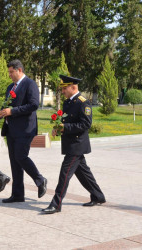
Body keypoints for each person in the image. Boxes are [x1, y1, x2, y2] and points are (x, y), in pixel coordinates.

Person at [41, 75, 106, 214]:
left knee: (64, 174)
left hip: (77, 145)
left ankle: (56, 204)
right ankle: (98, 196)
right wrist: (58, 128)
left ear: (73, 87)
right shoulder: (68, 103)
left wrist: (66, 127)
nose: (62, 91)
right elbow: (66, 121)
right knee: (83, 173)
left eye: (64, 88)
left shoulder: (83, 102)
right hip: (71, 144)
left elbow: (85, 124)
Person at [0, 59, 47, 203]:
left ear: (19, 70)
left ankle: (40, 179)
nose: (10, 75)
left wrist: (12, 111)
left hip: (25, 129)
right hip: (11, 129)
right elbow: (8, 105)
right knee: (14, 161)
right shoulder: (10, 87)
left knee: (21, 156)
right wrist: (3, 112)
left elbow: (33, 104)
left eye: (11, 72)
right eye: (9, 72)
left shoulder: (29, 84)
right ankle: (18, 194)